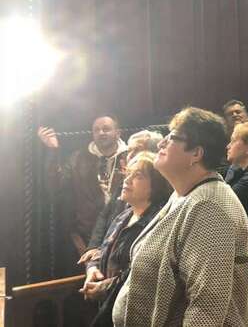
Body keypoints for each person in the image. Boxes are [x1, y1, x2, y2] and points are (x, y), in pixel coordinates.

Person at [111, 107, 248, 326]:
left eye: (172, 137)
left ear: (196, 153)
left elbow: (207, 306)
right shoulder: (184, 195)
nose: (161, 143)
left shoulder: (209, 206)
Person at [81, 152, 171, 327]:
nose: (127, 180)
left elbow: (141, 275)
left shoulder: (156, 222)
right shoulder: (124, 215)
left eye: (138, 176)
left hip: (132, 312)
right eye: (128, 173)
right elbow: (102, 250)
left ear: (156, 185)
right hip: (108, 307)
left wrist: (104, 287)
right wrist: (92, 268)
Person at [38, 115, 128, 265]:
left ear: (117, 133)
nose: (101, 133)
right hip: (88, 233)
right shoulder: (78, 159)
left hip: (123, 230)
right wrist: (53, 150)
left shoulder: (130, 157)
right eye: (96, 130)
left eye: (106, 129)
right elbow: (55, 186)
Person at [82, 130, 163, 262]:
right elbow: (105, 215)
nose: (130, 156)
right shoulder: (123, 214)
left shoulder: (159, 213)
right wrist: (94, 249)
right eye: (129, 151)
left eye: (137, 150)